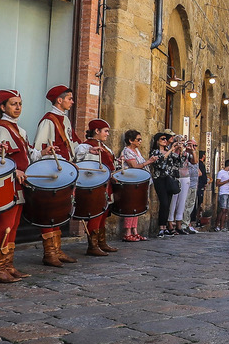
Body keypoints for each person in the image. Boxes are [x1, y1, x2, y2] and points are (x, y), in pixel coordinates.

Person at [0, 90, 37, 281]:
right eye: (13, 104)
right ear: (3, 107)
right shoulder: (0, 128)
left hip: (20, 184)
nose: (18, 107)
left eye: (20, 104)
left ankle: (8, 265)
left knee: (13, 226)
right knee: (5, 225)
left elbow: (27, 154)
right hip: (7, 183)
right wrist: (14, 171)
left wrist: (44, 152)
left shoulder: (19, 129)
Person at [32, 85, 78, 266]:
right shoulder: (48, 120)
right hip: (51, 171)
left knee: (59, 209)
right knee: (50, 210)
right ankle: (49, 253)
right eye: (70, 99)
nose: (72, 102)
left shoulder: (64, 120)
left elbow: (71, 143)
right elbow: (40, 148)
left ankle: (57, 249)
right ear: (59, 100)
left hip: (63, 170)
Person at [80, 118, 118, 254]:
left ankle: (102, 242)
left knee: (103, 212)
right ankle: (93, 246)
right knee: (95, 213)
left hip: (106, 184)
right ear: (96, 131)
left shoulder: (104, 147)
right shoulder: (85, 146)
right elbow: (80, 161)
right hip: (95, 186)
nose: (108, 134)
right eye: (105, 131)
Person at [118, 129, 151, 241]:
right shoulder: (127, 151)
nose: (140, 142)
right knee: (130, 206)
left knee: (136, 206)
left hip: (139, 181)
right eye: (138, 139)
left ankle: (134, 230)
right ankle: (127, 232)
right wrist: (148, 162)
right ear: (131, 140)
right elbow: (134, 166)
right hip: (130, 181)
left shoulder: (136, 150)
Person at [150, 132, 181, 237]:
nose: (164, 140)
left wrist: (180, 151)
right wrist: (171, 150)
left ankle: (165, 227)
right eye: (162, 139)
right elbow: (160, 163)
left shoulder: (169, 151)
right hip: (160, 179)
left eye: (165, 139)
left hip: (169, 179)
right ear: (157, 141)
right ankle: (161, 227)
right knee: (163, 203)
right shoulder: (155, 152)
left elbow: (179, 163)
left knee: (168, 204)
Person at [173, 138, 195, 234]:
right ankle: (170, 223)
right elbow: (178, 162)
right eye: (180, 141)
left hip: (185, 177)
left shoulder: (186, 153)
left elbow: (195, 161)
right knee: (173, 203)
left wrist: (193, 151)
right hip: (176, 177)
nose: (182, 144)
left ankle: (179, 224)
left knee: (182, 203)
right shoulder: (173, 153)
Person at [215, 159, 229, 231]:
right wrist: (227, 181)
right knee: (222, 209)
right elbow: (217, 183)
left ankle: (222, 227)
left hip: (228, 192)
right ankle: (217, 225)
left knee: (226, 210)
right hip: (223, 193)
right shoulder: (221, 172)